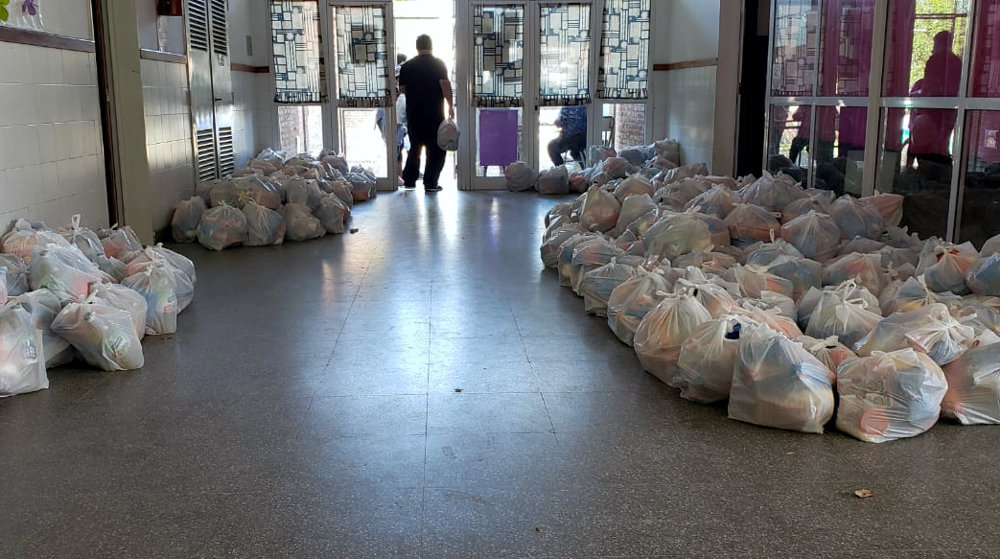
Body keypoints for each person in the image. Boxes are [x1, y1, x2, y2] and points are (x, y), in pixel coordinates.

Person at [398, 35, 454, 192]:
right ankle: (430, 183)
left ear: (417, 47)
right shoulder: (439, 64)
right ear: (431, 46)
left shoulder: (407, 66)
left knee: (414, 146)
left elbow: (401, 89)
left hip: (414, 114)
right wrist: (450, 106)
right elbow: (445, 85)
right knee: (435, 149)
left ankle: (409, 180)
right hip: (434, 113)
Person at [376, 53, 409, 183]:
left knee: (397, 150)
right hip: (392, 122)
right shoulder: (396, 79)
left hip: (394, 123)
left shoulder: (392, 81)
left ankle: (398, 176)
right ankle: (397, 176)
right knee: (396, 151)